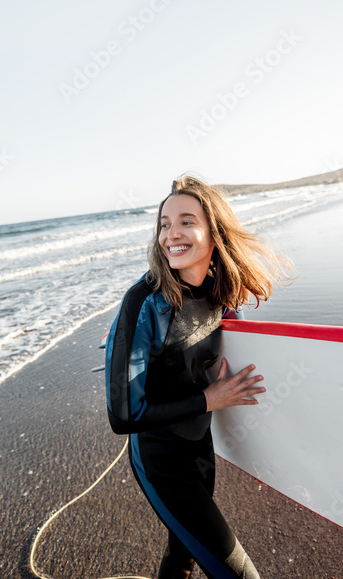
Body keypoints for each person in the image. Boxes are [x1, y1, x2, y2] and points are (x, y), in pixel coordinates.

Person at [104, 174, 293, 579]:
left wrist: (264, 454)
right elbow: (122, 416)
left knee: (183, 555)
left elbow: (234, 358)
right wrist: (211, 399)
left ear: (214, 232)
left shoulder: (219, 293)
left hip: (199, 447)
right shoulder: (144, 303)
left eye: (186, 221)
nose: (171, 233)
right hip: (161, 462)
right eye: (164, 224)